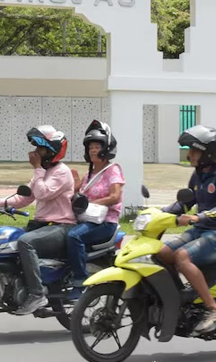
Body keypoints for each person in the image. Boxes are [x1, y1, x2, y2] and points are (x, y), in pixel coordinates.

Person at [158, 124, 216, 335]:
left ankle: (214, 310)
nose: (190, 155)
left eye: (194, 150)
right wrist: (158, 212)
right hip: (202, 231)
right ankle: (179, 298)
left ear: (208, 152)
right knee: (162, 253)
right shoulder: (198, 176)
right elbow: (184, 204)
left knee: (182, 257)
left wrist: (198, 216)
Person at [0, 125, 75, 315]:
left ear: (51, 151)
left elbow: (42, 193)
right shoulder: (43, 172)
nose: (35, 152)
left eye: (40, 148)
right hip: (42, 226)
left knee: (25, 243)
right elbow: (25, 198)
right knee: (6, 240)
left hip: (61, 227)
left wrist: (37, 169)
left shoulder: (62, 172)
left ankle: (37, 294)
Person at [66, 120, 125, 299]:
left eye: (97, 146)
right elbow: (80, 194)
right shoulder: (89, 173)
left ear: (106, 148)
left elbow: (115, 197)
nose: (92, 150)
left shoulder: (112, 170)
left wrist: (93, 203)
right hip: (87, 220)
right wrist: (74, 185)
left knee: (73, 236)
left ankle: (80, 279)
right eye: (90, 146)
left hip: (105, 223)